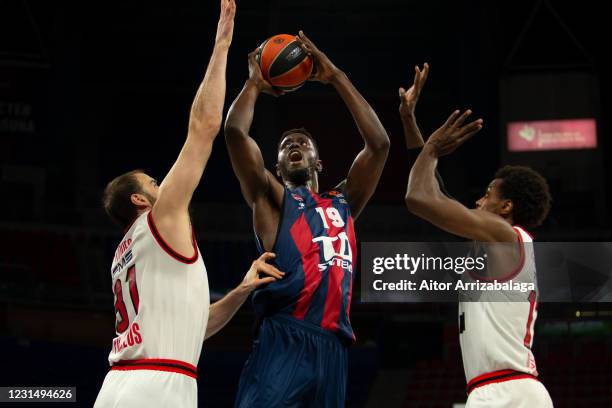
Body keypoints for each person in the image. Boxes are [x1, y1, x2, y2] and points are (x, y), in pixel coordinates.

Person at [94, 2, 284, 406]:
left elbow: (196, 327)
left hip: (123, 385)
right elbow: (203, 128)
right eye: (152, 182)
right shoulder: (160, 219)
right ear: (140, 199)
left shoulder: (125, 255)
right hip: (156, 386)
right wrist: (222, 44)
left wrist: (242, 290)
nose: (162, 183)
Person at [224, 30, 390, 407]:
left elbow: (379, 144)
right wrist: (253, 84)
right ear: (278, 165)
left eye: (301, 143)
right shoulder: (272, 198)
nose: (293, 145)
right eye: (285, 146)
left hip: (333, 348)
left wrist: (336, 77)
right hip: (284, 339)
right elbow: (235, 133)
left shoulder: (344, 202)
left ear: (318, 162)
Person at [401, 64, 553, 407]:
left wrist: (433, 150)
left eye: (487, 194)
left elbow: (418, 198)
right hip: (508, 389)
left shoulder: (502, 235)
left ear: (506, 207)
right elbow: (434, 193)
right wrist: (410, 121)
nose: (477, 201)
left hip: (505, 390)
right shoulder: (500, 243)